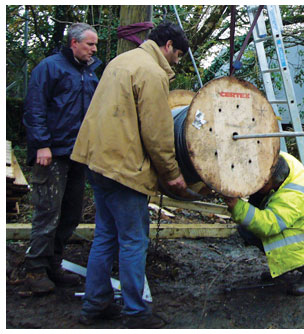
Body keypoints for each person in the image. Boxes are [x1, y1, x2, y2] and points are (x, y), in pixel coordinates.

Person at [70, 21, 189, 328]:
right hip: (124, 167)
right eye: (178, 54)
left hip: (97, 161)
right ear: (168, 47)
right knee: (134, 241)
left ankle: (94, 305)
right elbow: (158, 132)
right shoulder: (151, 72)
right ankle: (136, 312)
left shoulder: (121, 61)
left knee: (106, 236)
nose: (178, 61)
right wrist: (171, 174)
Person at [22, 23, 101, 295]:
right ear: (74, 43)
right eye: (90, 44)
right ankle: (34, 270)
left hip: (78, 154)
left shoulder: (90, 74)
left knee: (71, 214)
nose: (94, 49)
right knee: (47, 212)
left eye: (95, 45)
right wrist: (42, 145)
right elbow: (35, 109)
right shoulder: (49, 68)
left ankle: (53, 266)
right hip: (52, 154)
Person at [223, 152, 304, 296]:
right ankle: (285, 266)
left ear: (275, 182)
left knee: (269, 237)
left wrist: (237, 207)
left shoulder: (292, 196)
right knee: (247, 229)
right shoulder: (276, 160)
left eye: (262, 182)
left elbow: (269, 225)